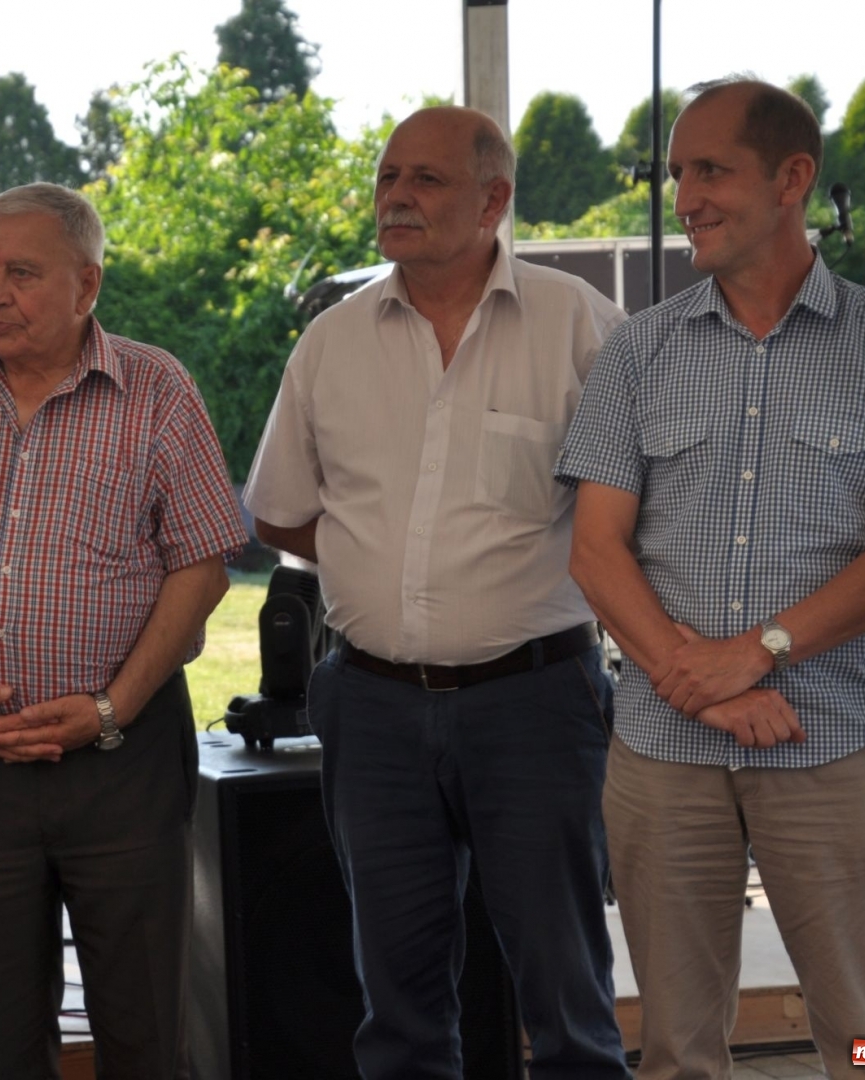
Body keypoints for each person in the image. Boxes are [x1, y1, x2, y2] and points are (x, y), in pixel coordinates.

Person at [556, 78, 865, 1080]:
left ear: (793, 178)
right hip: (663, 752)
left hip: (834, 743)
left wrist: (755, 656)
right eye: (677, 174)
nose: (684, 196)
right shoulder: (637, 351)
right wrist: (695, 681)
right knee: (673, 1050)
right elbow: (595, 550)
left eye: (711, 170)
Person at [243, 106, 631, 1079]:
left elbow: (636, 513)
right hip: (370, 708)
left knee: (567, 998)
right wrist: (380, 572)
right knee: (399, 1008)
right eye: (386, 179)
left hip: (535, 704)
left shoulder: (581, 326)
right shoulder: (332, 342)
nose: (396, 198)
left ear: (494, 200)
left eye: (425, 180)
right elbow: (280, 513)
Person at [0, 182, 245, 1079]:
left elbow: (202, 566)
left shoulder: (155, 390)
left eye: (21, 273)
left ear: (87, 284)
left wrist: (111, 707)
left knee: (144, 1026)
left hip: (123, 763)